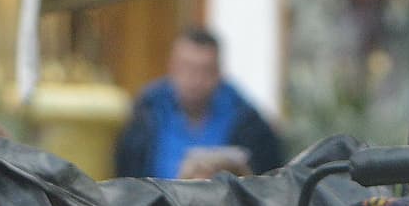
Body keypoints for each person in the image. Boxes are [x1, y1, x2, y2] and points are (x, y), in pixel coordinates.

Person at [114, 29, 283, 182]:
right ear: (171, 67)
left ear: (219, 73)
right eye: (187, 68)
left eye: (205, 70)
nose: (195, 80)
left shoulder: (249, 123)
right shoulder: (144, 115)